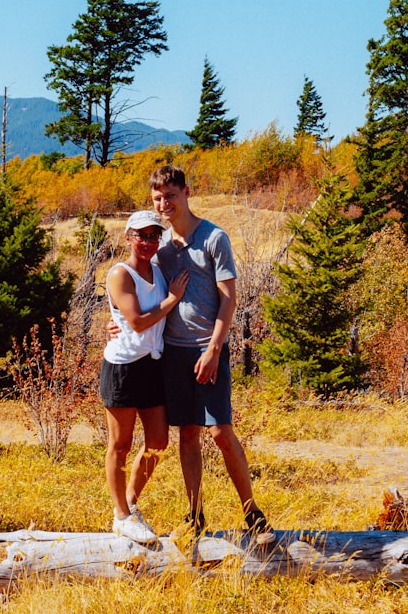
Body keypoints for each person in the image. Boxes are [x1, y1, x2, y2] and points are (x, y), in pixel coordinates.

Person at [148, 164, 275, 545]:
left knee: (220, 431)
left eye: (170, 195)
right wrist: (119, 323)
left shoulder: (214, 238)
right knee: (188, 433)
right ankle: (195, 514)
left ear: (187, 193)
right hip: (174, 352)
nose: (164, 204)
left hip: (209, 348)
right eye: (157, 198)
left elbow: (229, 299)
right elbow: (144, 294)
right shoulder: (162, 249)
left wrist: (215, 349)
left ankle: (253, 513)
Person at [102, 210, 188, 544]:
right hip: (123, 367)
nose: (148, 242)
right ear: (128, 238)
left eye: (154, 236)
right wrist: (171, 300)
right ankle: (121, 514)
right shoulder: (120, 274)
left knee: (158, 442)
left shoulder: (158, 270)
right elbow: (136, 322)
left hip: (153, 365)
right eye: (142, 235)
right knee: (120, 445)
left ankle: (130, 504)